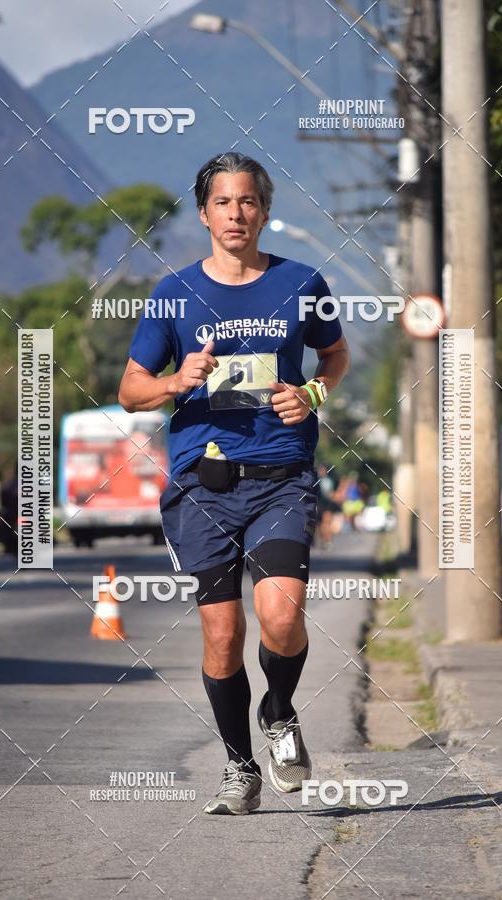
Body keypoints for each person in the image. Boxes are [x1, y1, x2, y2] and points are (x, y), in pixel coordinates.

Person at [119, 151, 350, 814]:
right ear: (204, 213)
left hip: (281, 476)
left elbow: (335, 355)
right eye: (223, 202)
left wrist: (311, 391)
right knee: (223, 635)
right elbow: (131, 389)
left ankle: (279, 712)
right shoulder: (174, 293)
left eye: (248, 201)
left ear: (265, 211)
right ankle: (239, 766)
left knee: (281, 616)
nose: (236, 213)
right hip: (203, 484)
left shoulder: (303, 281)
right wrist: (173, 381)